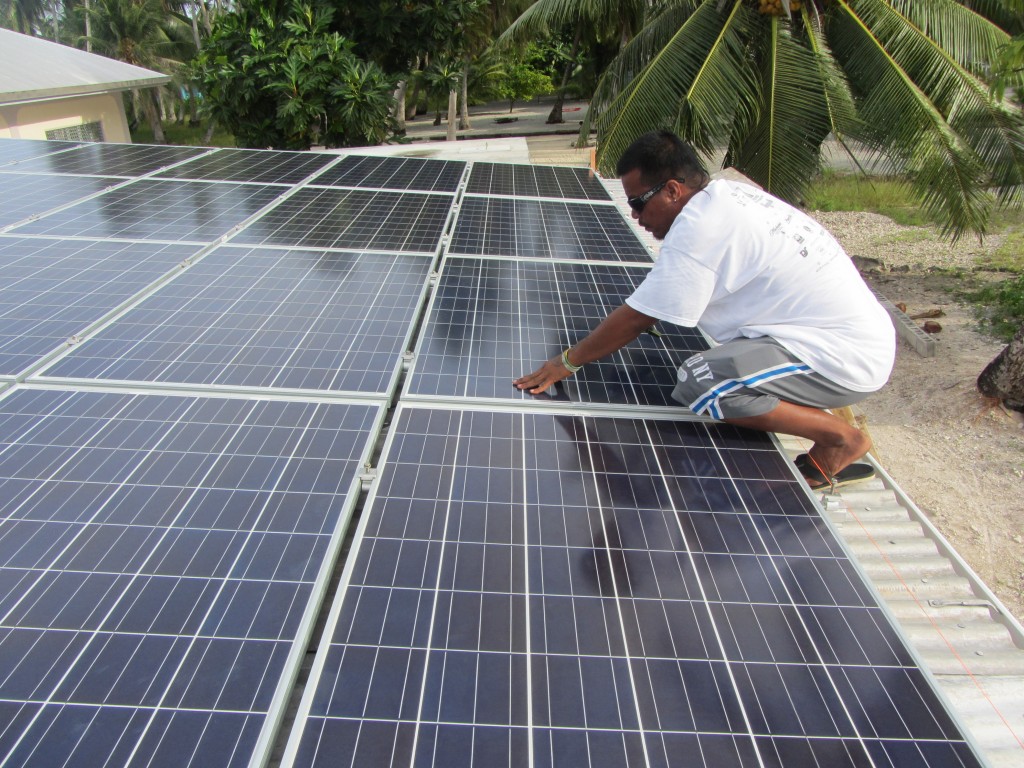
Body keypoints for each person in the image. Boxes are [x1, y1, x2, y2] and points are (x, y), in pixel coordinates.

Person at [513, 130, 896, 491]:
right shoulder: (724, 196)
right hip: (827, 336)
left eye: (637, 203)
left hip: (843, 357)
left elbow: (638, 317)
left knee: (701, 379)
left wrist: (567, 361)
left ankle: (841, 439)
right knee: (709, 372)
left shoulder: (701, 229)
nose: (634, 217)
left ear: (673, 191)